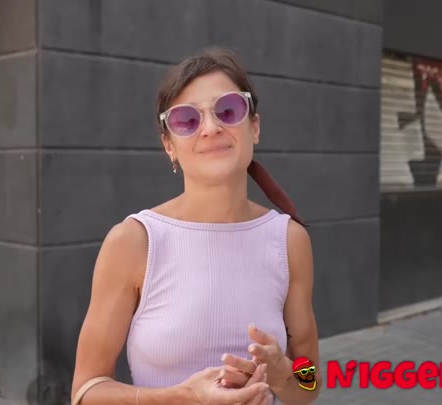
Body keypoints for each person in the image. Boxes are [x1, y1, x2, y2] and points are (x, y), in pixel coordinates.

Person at [71, 47, 321, 405]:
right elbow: (85, 391)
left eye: (228, 110)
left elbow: (310, 383)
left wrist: (283, 372)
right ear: (169, 145)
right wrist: (181, 396)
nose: (211, 128)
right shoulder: (135, 241)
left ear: (254, 126)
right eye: (186, 119)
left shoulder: (289, 240)